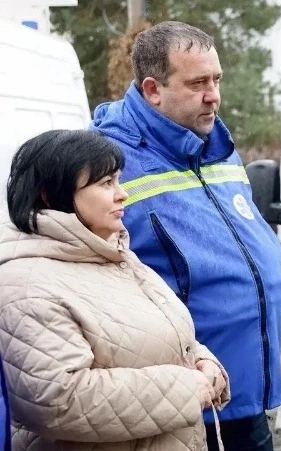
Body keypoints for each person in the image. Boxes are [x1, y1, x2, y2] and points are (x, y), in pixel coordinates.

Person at [89, 21, 281, 451]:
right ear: (153, 89)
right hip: (181, 406)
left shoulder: (217, 144)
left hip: (245, 397)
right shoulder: (108, 161)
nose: (213, 95)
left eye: (216, 80)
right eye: (197, 83)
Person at [0, 129, 230, 450]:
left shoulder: (111, 252)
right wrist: (188, 389)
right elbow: (58, 400)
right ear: (50, 196)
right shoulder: (27, 283)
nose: (122, 194)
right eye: (106, 183)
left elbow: (152, 335)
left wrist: (202, 361)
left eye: (118, 180)